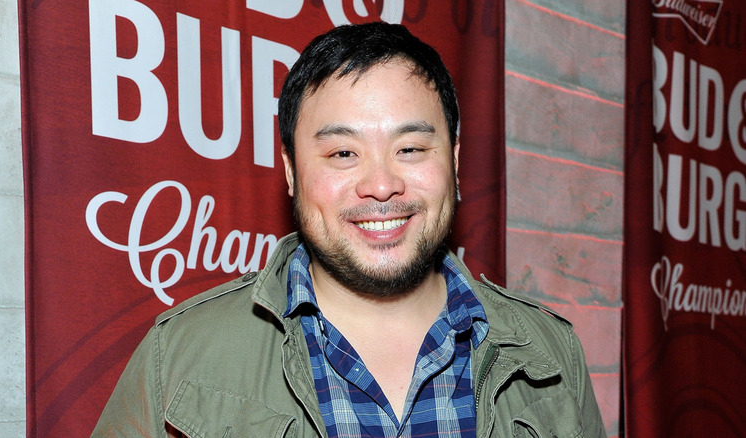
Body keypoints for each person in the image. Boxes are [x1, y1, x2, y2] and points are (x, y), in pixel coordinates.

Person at [93, 22, 606, 437]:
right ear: (292, 172)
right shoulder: (179, 357)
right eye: (342, 153)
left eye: (410, 149)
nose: (381, 185)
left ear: (453, 162)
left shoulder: (553, 353)